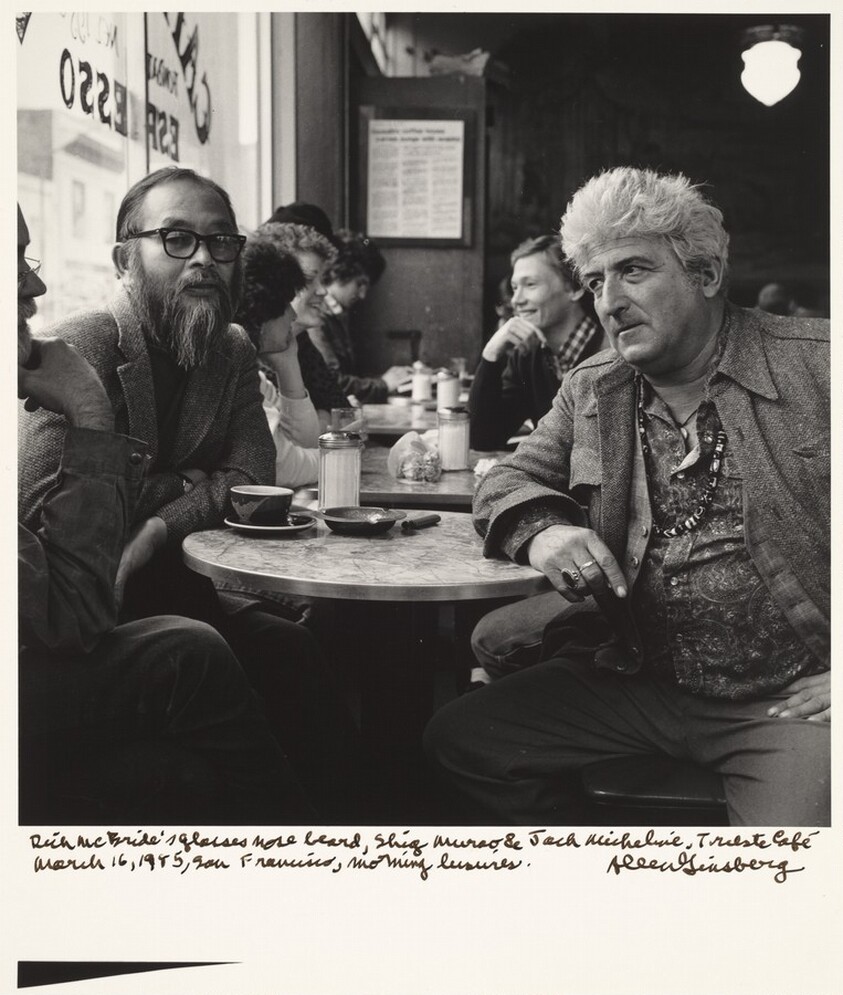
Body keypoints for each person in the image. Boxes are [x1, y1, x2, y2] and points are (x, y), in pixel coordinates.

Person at [425, 167, 829, 827]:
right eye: (593, 280)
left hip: (785, 699)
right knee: (463, 740)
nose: (606, 301)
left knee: (784, 875)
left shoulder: (818, 363)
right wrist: (543, 531)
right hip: (638, 680)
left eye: (632, 271)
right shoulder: (594, 387)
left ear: (703, 275)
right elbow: (504, 478)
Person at [19, 169, 360, 821]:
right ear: (125, 259)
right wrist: (188, 483)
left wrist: (153, 521)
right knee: (212, 652)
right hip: (97, 607)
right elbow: (35, 518)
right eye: (176, 238)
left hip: (167, 583)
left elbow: (252, 478)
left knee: (293, 649)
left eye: (220, 241)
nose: (204, 257)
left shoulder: (227, 347)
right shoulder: (84, 343)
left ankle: (354, 829)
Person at [468, 233, 606, 451]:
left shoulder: (611, 354)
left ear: (575, 288)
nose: (516, 300)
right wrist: (490, 356)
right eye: (514, 288)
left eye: (530, 285)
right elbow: (483, 439)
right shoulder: (526, 356)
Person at [236, 231, 320, 487]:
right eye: (285, 303)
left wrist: (288, 362)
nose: (293, 315)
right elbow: (279, 467)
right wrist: (342, 456)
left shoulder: (254, 374)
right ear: (262, 309)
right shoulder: (234, 371)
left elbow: (306, 441)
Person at [255, 219, 348, 425]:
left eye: (322, 279)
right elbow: (286, 440)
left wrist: (322, 418)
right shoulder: (253, 353)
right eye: (308, 280)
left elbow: (342, 412)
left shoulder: (299, 339)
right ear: (273, 286)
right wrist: (322, 418)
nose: (323, 290)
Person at [308, 229, 413, 402]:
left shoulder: (337, 313)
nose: (363, 295)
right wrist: (383, 384)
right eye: (360, 284)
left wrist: (386, 380)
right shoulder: (316, 318)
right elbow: (333, 382)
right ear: (339, 272)